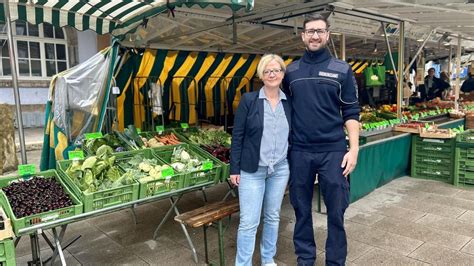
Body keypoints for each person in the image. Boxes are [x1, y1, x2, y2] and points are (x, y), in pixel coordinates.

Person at [282, 13, 360, 266]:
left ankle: (335, 262)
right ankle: (305, 259)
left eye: (320, 31)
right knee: (301, 209)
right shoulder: (291, 72)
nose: (315, 35)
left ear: (327, 35)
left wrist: (354, 149)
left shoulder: (342, 70)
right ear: (303, 36)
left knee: (336, 211)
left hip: (334, 151)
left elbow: (351, 112)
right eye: (310, 31)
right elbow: (282, 112)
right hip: (300, 151)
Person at [230, 53, 291, 266]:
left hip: (280, 169)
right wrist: (234, 169)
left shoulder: (289, 102)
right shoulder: (249, 100)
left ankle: (267, 259)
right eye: (267, 71)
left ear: (283, 74)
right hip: (252, 170)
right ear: (261, 75)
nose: (272, 74)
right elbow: (238, 136)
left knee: (273, 216)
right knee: (248, 222)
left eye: (276, 70)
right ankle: (243, 263)